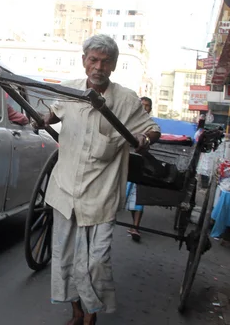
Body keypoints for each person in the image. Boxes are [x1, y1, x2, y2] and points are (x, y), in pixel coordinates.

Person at [33, 34, 161, 325]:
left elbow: (153, 129)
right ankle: (78, 313)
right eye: (93, 59)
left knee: (97, 260)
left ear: (113, 65)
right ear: (84, 61)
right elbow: (53, 113)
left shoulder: (126, 99)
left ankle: (92, 314)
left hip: (101, 194)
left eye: (105, 61)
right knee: (64, 256)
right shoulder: (70, 90)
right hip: (65, 190)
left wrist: (143, 138)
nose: (98, 66)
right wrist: (41, 118)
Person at [125, 96, 154, 241]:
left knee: (137, 197)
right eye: (141, 105)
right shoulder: (128, 121)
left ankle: (136, 227)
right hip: (124, 162)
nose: (144, 108)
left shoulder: (151, 126)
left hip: (141, 164)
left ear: (150, 109)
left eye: (147, 106)